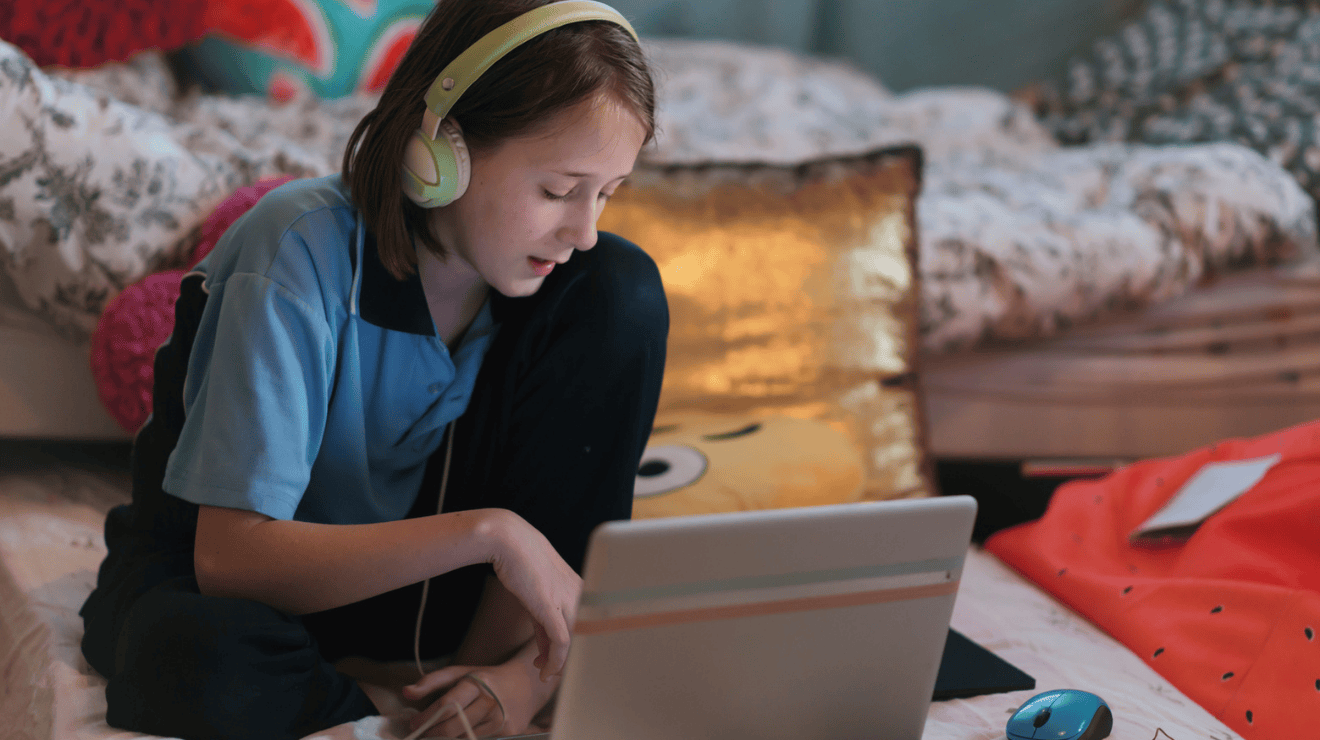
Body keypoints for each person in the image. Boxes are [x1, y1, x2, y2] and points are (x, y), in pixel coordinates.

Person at [77, 1, 667, 738]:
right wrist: (491, 534)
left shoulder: (570, 288)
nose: (582, 231)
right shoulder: (296, 250)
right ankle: (369, 709)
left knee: (625, 284)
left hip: (431, 609)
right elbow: (231, 558)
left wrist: (518, 682)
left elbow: (563, 536)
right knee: (194, 656)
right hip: (239, 589)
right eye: (556, 190)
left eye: (607, 194)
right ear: (443, 148)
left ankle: (458, 688)